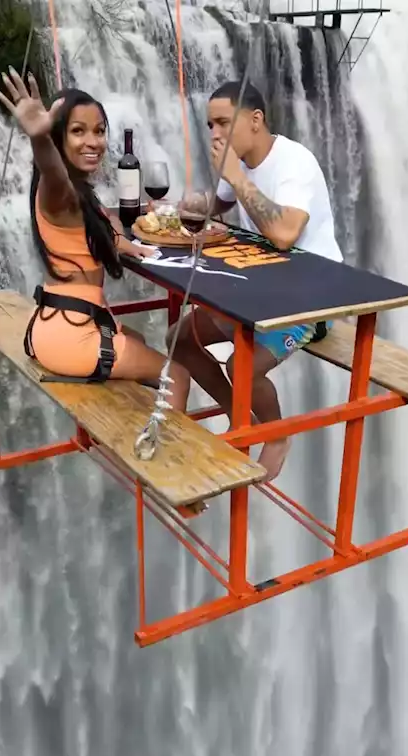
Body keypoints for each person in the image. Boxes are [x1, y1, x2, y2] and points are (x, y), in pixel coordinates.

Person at [169, 80, 343, 481]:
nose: (213, 134)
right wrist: (200, 202)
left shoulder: (293, 163)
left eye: (222, 123)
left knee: (241, 364)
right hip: (262, 289)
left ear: (255, 120)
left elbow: (284, 234)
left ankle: (276, 433)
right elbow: (225, 202)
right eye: (210, 125)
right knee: (178, 338)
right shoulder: (243, 162)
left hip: (316, 295)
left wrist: (234, 174)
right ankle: (238, 413)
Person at [0, 68, 189, 411]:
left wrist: (122, 241)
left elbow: (99, 221)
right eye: (78, 131)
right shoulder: (57, 192)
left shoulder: (78, 196)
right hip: (74, 338)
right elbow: (54, 173)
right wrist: (38, 138)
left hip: (51, 327)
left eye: (99, 131)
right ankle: (169, 456)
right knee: (178, 375)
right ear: (58, 138)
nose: (94, 141)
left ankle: (133, 432)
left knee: (137, 340)